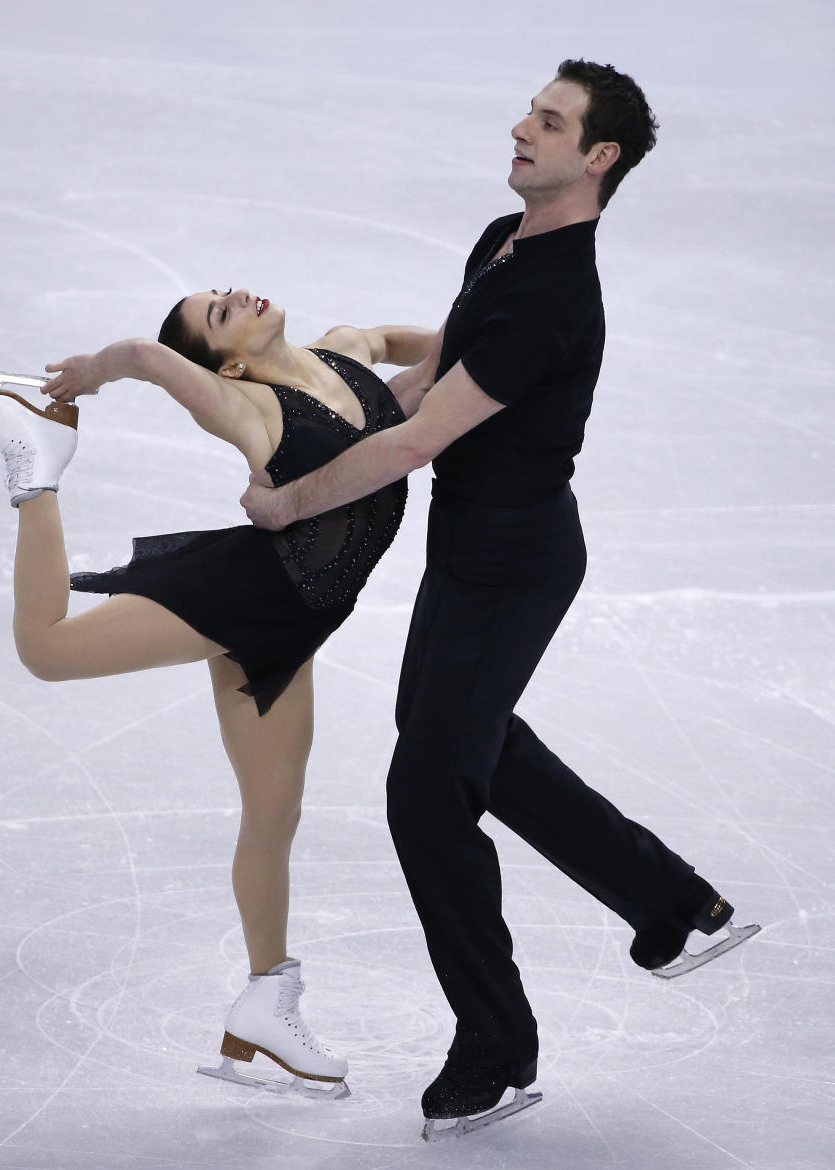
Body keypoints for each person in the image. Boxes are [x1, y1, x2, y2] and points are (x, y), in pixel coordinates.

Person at [241, 59, 758, 1130]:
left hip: (516, 562)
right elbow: (430, 384)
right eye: (533, 108)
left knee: (426, 794)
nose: (522, 127)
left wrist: (294, 500)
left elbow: (425, 441)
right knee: (452, 742)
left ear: (598, 157)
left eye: (551, 121)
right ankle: (674, 904)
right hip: (475, 548)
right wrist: (333, 412)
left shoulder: (555, 295)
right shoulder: (503, 242)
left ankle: (499, 1047)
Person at [0, 290, 435, 1096]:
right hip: (248, 596)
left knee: (274, 814)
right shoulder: (245, 405)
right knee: (47, 648)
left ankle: (266, 1003)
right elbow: (143, 355)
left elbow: (389, 337)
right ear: (232, 361)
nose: (236, 296)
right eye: (219, 315)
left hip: (295, 624)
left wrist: (474, 343)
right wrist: (88, 378)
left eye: (223, 293)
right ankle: (36, 465)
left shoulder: (341, 352)